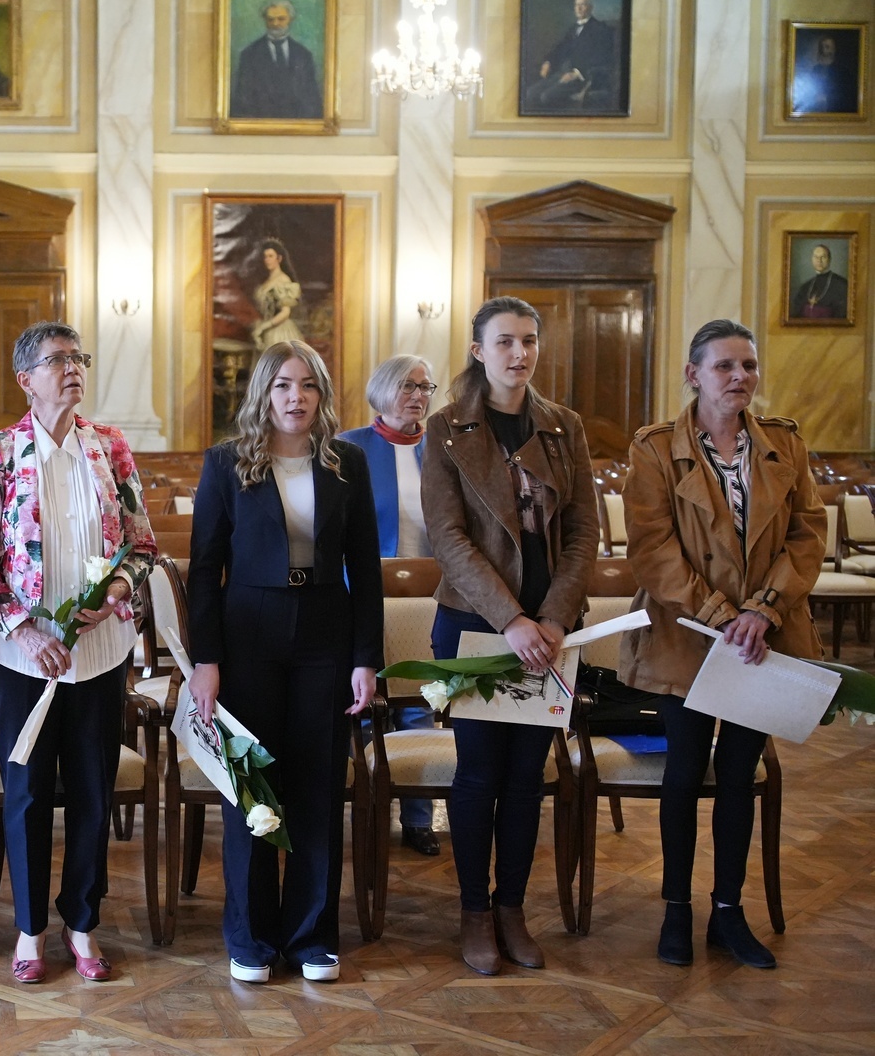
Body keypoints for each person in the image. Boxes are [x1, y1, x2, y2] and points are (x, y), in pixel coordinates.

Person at [618, 319, 825, 970]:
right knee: (683, 773)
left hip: (761, 638)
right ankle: (676, 911)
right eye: (725, 366)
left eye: (749, 366)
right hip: (686, 634)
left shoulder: (783, 444)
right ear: (694, 374)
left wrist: (763, 610)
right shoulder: (656, 448)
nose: (740, 377)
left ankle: (728, 913)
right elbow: (652, 548)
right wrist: (720, 613)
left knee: (739, 776)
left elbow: (807, 534)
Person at [0, 321, 157, 984]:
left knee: (94, 791)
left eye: (79, 358)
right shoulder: (0, 451)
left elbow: (142, 546)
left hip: (99, 650)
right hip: (23, 656)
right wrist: (25, 630)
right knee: (28, 793)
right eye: (57, 360)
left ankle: (83, 923)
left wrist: (118, 590)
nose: (73, 368)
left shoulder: (110, 447)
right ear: (26, 378)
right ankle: (29, 929)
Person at [187, 340, 383, 984]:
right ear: (263, 394)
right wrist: (205, 660)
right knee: (252, 786)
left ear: (321, 395)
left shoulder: (347, 462)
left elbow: (365, 568)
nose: (295, 397)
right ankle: (251, 937)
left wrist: (366, 658)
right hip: (248, 633)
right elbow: (205, 569)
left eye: (308, 385)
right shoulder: (226, 463)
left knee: (317, 786)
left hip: (325, 633)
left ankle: (312, 937)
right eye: (282, 385)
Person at [421, 296, 598, 975]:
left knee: (527, 777)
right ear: (478, 350)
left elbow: (583, 532)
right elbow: (449, 538)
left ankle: (512, 910)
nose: (518, 353)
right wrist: (512, 620)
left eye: (528, 340)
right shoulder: (446, 429)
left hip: (550, 630)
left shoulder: (563, 427)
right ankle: (473, 913)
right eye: (504, 341)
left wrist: (552, 618)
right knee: (478, 772)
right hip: (475, 625)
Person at [340, 354, 440, 856]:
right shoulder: (348, 447)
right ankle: (367, 808)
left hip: (428, 599)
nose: (418, 396)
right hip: (360, 596)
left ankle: (418, 819)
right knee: (364, 703)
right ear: (381, 391)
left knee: (420, 702)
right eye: (407, 386)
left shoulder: (442, 448)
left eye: (425, 387)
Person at [230, 0, 323, 120]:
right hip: (260, 123)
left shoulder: (304, 55)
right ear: (265, 20)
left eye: (281, 19)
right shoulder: (249, 55)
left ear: (290, 19)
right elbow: (242, 100)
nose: (275, 24)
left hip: (296, 124)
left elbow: (312, 99)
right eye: (270, 19)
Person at [524, 0, 616, 111]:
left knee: (546, 96)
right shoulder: (573, 29)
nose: (579, 8)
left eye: (582, 5)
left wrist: (576, 73)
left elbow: (602, 59)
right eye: (576, 5)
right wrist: (548, 62)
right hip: (564, 73)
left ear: (590, 7)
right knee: (531, 93)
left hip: (583, 78)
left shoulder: (601, 29)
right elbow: (560, 48)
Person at [250, 238, 304, 349]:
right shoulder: (267, 280)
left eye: (271, 256)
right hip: (267, 330)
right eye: (265, 257)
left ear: (279, 258)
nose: (267, 260)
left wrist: (263, 327)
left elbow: (285, 312)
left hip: (280, 332)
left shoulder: (283, 280)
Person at [793, 35, 859, 114]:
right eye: (822, 47)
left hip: (835, 110)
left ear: (834, 49)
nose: (824, 50)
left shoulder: (842, 71)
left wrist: (827, 98)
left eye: (827, 47)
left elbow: (846, 95)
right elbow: (809, 92)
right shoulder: (816, 69)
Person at [788, 243, 849, 320]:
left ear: (829, 259)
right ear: (812, 259)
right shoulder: (805, 287)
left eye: (823, 257)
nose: (819, 260)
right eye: (816, 257)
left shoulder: (842, 284)